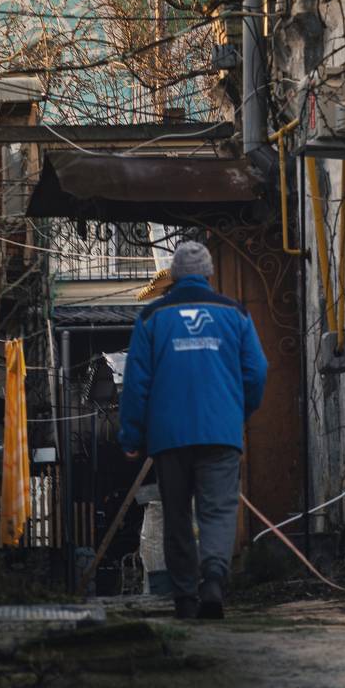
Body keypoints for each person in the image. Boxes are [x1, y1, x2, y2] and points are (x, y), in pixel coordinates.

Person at [118, 239, 268, 620]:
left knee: (177, 514)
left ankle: (185, 595)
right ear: (209, 275)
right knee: (218, 511)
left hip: (169, 438)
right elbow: (257, 371)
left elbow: (137, 383)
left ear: (176, 276)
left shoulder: (152, 318)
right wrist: (238, 412)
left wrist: (132, 436)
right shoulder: (235, 314)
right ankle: (214, 581)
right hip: (220, 432)